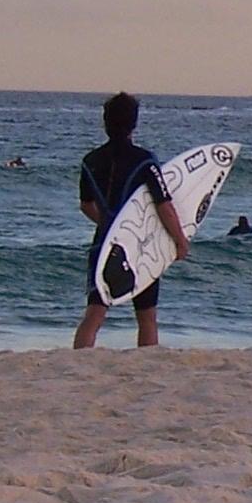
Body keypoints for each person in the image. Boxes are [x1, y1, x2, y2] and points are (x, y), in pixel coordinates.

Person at [73, 92, 187, 350]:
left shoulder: (90, 161)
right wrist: (179, 240)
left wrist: (110, 227)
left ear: (105, 123)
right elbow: (163, 205)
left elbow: (86, 205)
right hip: (140, 245)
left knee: (95, 313)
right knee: (146, 316)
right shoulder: (145, 160)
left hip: (104, 244)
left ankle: (78, 360)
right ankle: (146, 361)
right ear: (134, 123)